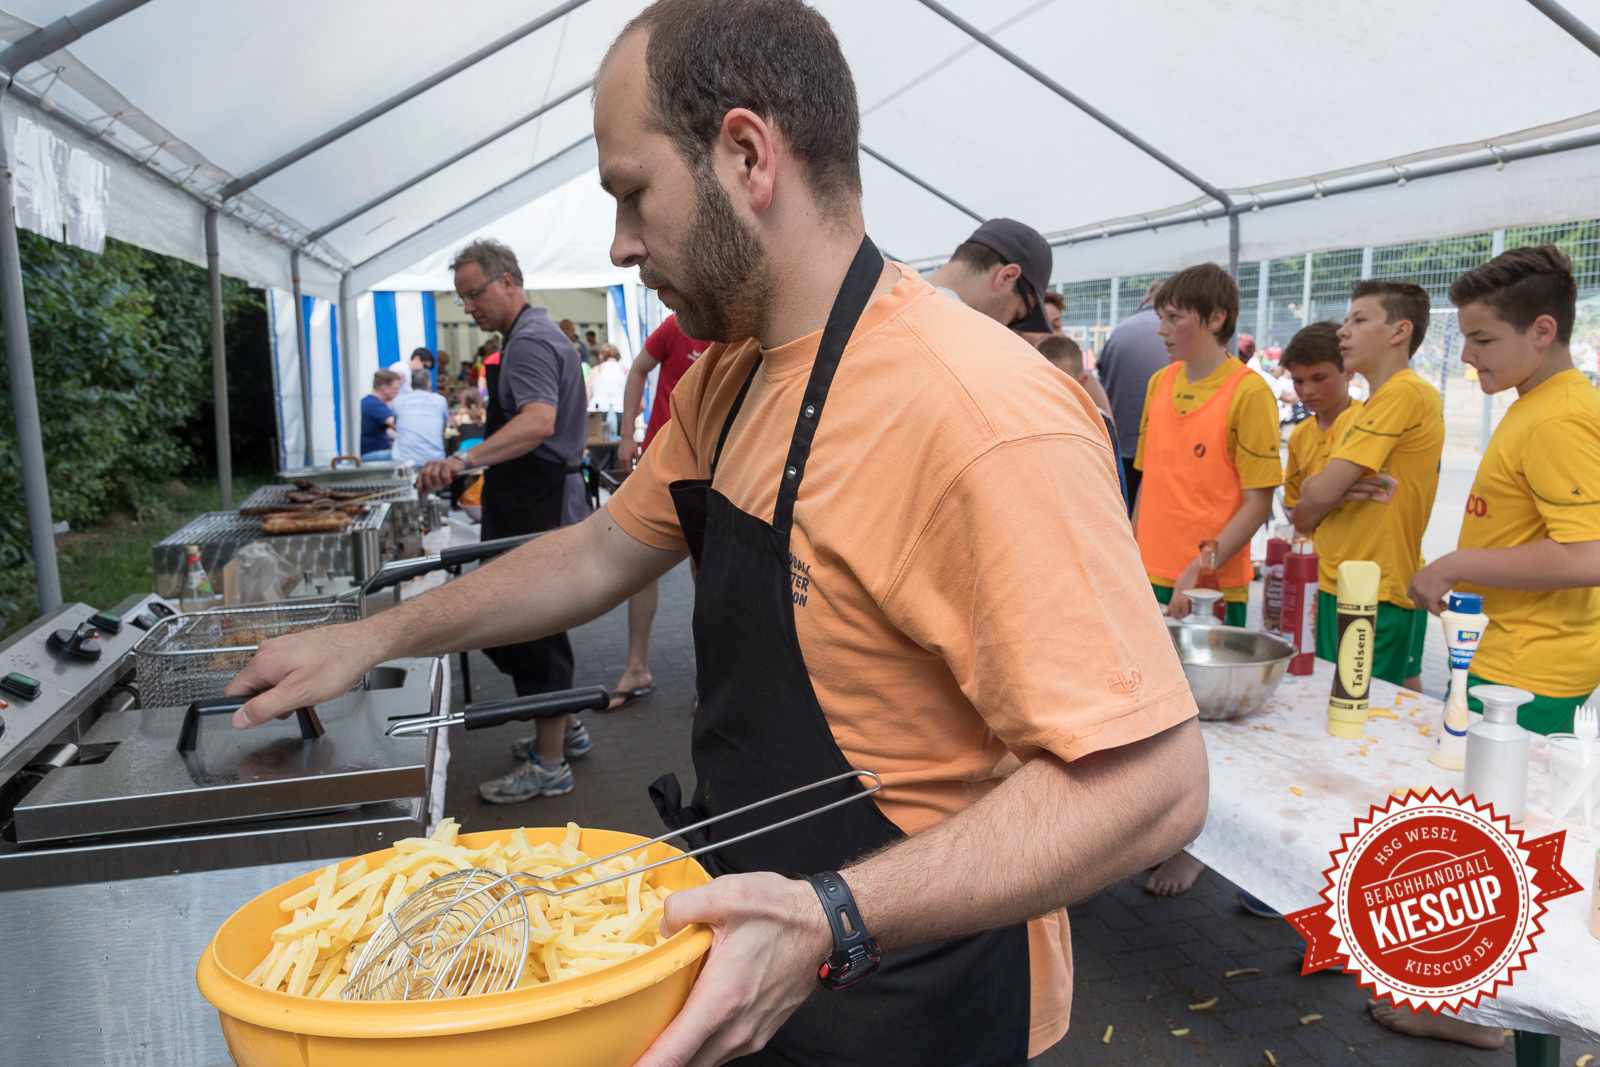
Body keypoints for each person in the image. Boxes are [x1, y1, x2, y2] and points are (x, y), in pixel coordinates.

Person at [225, 4, 1207, 1064]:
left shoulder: (974, 412)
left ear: (746, 153)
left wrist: (830, 914)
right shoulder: (733, 376)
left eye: (632, 193)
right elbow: (601, 550)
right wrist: (374, 634)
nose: (620, 241)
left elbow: (1151, 785)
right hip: (753, 936)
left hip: (910, 989)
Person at [413, 238, 592, 804]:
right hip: (530, 498)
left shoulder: (532, 342)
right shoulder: (526, 336)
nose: (468, 307)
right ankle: (562, 725)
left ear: (508, 281)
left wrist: (465, 459)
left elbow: (538, 423)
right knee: (525, 626)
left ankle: (551, 762)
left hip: (539, 504)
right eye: (462, 298)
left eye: (474, 294)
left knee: (528, 628)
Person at [1407, 245, 1600, 734]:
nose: (1468, 355)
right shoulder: (1536, 404)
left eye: (1483, 339)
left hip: (1525, 675)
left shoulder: (1559, 418)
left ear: (1541, 331)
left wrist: (1454, 565)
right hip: (1507, 660)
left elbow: (1587, 556)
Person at [1134, 264, 1279, 899]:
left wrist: (1199, 570)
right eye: (1162, 316)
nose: (1163, 329)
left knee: (1205, 728)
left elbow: (1257, 502)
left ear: (1216, 320)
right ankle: (1160, 827)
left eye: (1175, 317)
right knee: (1150, 721)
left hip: (1210, 589)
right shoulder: (1159, 384)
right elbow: (1148, 488)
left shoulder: (1249, 392)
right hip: (1146, 576)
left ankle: (1199, 848)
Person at [1291, 280, 1443, 691]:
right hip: (1331, 581)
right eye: (1345, 321)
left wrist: (1327, 492)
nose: (1343, 331)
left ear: (1400, 331)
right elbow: (1304, 511)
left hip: (1375, 593)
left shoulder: (1407, 393)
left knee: (1364, 715)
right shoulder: (1353, 416)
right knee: (1332, 704)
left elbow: (1317, 494)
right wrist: (1328, 493)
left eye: (1359, 320)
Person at [609, 314, 712, 712]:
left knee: (708, 576)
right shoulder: (678, 324)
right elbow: (638, 368)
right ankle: (636, 669)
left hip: (712, 470)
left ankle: (711, 680)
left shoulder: (741, 330)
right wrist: (626, 433)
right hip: (659, 461)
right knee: (638, 564)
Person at [1097, 281, 1168, 511]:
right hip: (1162, 452)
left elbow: (1102, 375)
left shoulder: (1120, 331)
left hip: (1121, 444)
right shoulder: (1175, 332)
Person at [1280, 322, 1362, 516]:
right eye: (1298, 381)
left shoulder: (1370, 421)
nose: (1307, 391)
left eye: (1319, 378)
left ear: (1349, 371)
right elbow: (1294, 509)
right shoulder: (1300, 435)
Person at [1037, 334, 1126, 507]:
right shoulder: (1027, 419)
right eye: (1043, 379)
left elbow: (1117, 486)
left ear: (1083, 380)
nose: (1052, 389)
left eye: (1062, 382)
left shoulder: (1100, 423)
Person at [390, 368, 451, 465]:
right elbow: (444, 427)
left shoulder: (397, 401)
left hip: (403, 461)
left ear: (411, 384)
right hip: (434, 459)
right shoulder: (440, 400)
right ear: (429, 384)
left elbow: (396, 426)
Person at [359, 369, 401, 461]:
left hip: (367, 453)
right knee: (404, 456)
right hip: (370, 455)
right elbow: (398, 426)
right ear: (384, 388)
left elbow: (390, 432)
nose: (398, 392)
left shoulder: (367, 401)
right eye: (395, 388)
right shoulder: (376, 405)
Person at [588, 343, 629, 414]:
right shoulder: (625, 372)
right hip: (621, 409)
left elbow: (587, 397)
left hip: (598, 410)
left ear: (602, 355)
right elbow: (641, 403)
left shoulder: (595, 370)